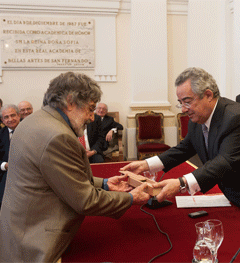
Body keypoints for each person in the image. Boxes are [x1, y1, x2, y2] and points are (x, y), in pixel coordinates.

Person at [0, 72, 152, 262]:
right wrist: (130, 198)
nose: (91, 117)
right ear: (70, 102)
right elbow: (85, 201)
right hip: (35, 241)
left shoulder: (34, 120)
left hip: (18, 229)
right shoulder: (57, 136)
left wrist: (104, 184)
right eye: (90, 108)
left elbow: (56, 177)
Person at [121, 67, 240, 229]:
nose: (183, 109)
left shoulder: (239, 118)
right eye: (180, 102)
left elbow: (225, 161)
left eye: (187, 101)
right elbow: (184, 148)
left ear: (208, 95)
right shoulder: (198, 118)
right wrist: (145, 165)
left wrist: (181, 183)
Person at [0, 104, 21, 208]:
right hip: (6, 174)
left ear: (19, 116)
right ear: (2, 120)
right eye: (6, 117)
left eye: (13, 115)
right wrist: (5, 165)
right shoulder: (0, 134)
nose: (10, 119)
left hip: (28, 173)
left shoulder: (30, 130)